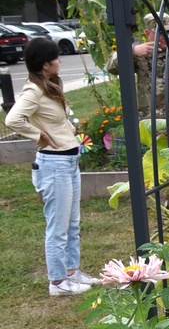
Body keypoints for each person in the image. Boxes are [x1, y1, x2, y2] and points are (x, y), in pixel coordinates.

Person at [5, 37, 101, 296]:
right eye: (56, 58)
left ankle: (72, 272)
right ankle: (58, 282)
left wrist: (67, 129)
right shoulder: (33, 91)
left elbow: (55, 119)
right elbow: (13, 119)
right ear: (44, 64)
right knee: (58, 226)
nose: (60, 60)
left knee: (72, 223)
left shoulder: (48, 85)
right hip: (54, 164)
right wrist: (38, 135)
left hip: (69, 161)